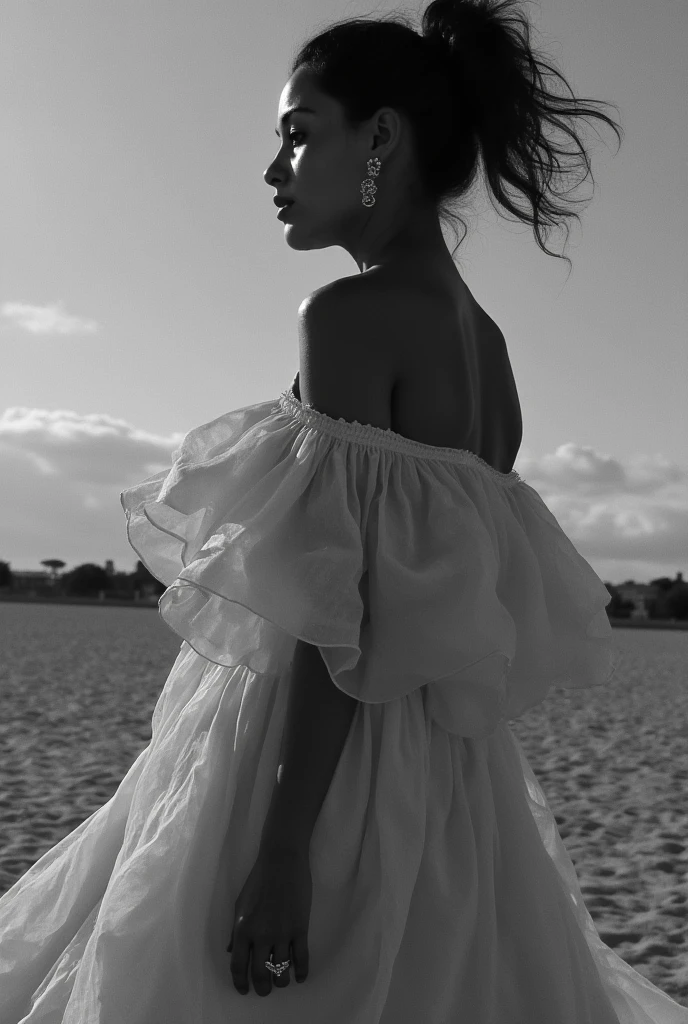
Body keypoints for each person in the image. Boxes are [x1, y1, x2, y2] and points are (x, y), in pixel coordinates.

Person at [0, 1, 686, 1021]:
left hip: (314, 775)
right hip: (448, 789)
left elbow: (338, 617)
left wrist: (282, 854)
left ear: (380, 137)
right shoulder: (488, 350)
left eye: (296, 130)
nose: (274, 168)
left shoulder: (351, 317)